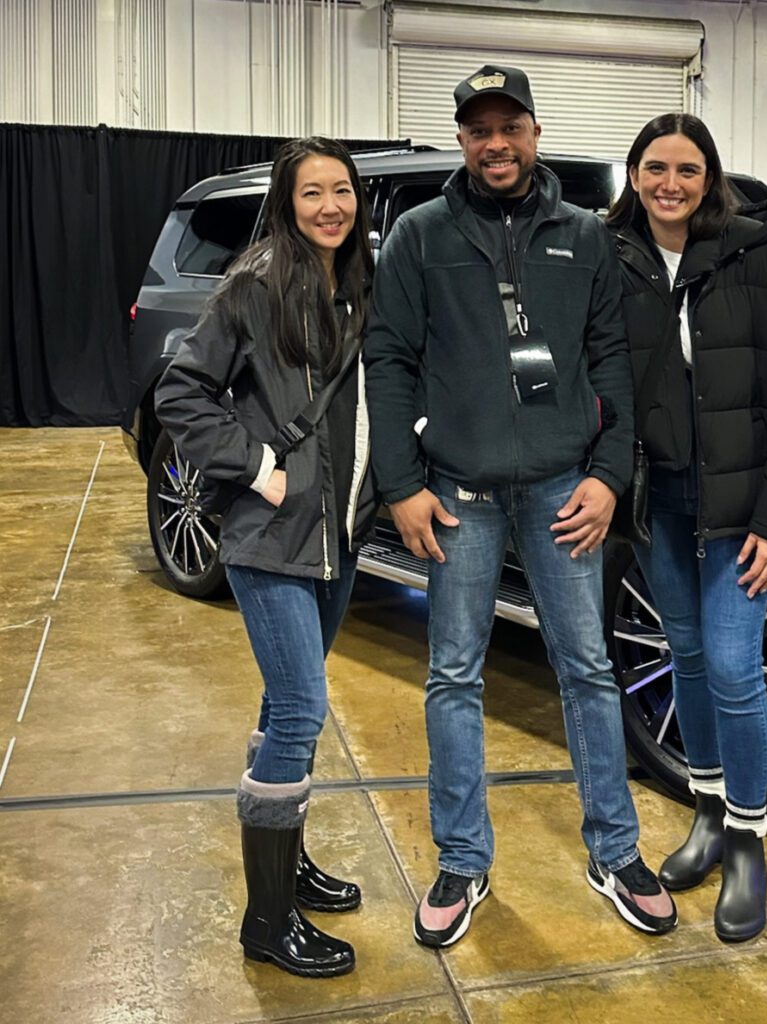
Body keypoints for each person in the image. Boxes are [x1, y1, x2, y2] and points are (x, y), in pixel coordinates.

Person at [363, 65, 677, 948]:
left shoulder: (584, 236)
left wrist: (608, 476)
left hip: (560, 491)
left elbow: (611, 362)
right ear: (459, 140)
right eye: (478, 130)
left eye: (510, 127)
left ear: (535, 133)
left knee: (587, 669)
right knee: (454, 674)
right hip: (456, 493)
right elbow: (386, 361)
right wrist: (400, 485)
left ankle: (616, 851)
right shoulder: (419, 238)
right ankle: (463, 862)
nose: (495, 144)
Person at [606, 113, 767, 943]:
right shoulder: (613, 259)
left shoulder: (766, 259)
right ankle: (705, 810)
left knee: (737, 669)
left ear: (711, 178)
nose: (671, 184)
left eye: (688, 169)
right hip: (659, 504)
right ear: (634, 175)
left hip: (741, 516)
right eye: (656, 168)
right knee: (688, 659)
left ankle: (746, 839)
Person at [156, 137, 377, 977]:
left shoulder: (357, 283)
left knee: (287, 704)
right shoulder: (255, 284)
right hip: (268, 537)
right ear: (286, 202)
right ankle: (266, 919)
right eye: (312, 192)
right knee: (298, 711)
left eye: (342, 191)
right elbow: (182, 390)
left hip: (337, 538)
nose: (330, 205)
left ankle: (291, 858)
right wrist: (255, 466)